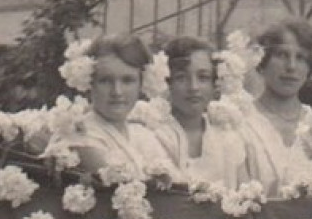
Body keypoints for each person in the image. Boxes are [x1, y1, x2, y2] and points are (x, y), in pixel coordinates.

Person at [45, 33, 177, 178]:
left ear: (141, 83)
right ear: (90, 82)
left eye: (127, 81)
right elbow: (119, 184)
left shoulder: (143, 135)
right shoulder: (79, 135)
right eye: (106, 80)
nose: (117, 91)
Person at [150, 35, 255, 189]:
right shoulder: (154, 134)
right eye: (181, 78)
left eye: (203, 77)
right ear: (168, 83)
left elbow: (246, 196)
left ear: (215, 83)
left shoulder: (228, 137)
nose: (193, 87)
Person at [241, 19, 312, 193]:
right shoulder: (241, 122)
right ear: (262, 62)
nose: (291, 67)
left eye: (301, 58)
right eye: (282, 55)